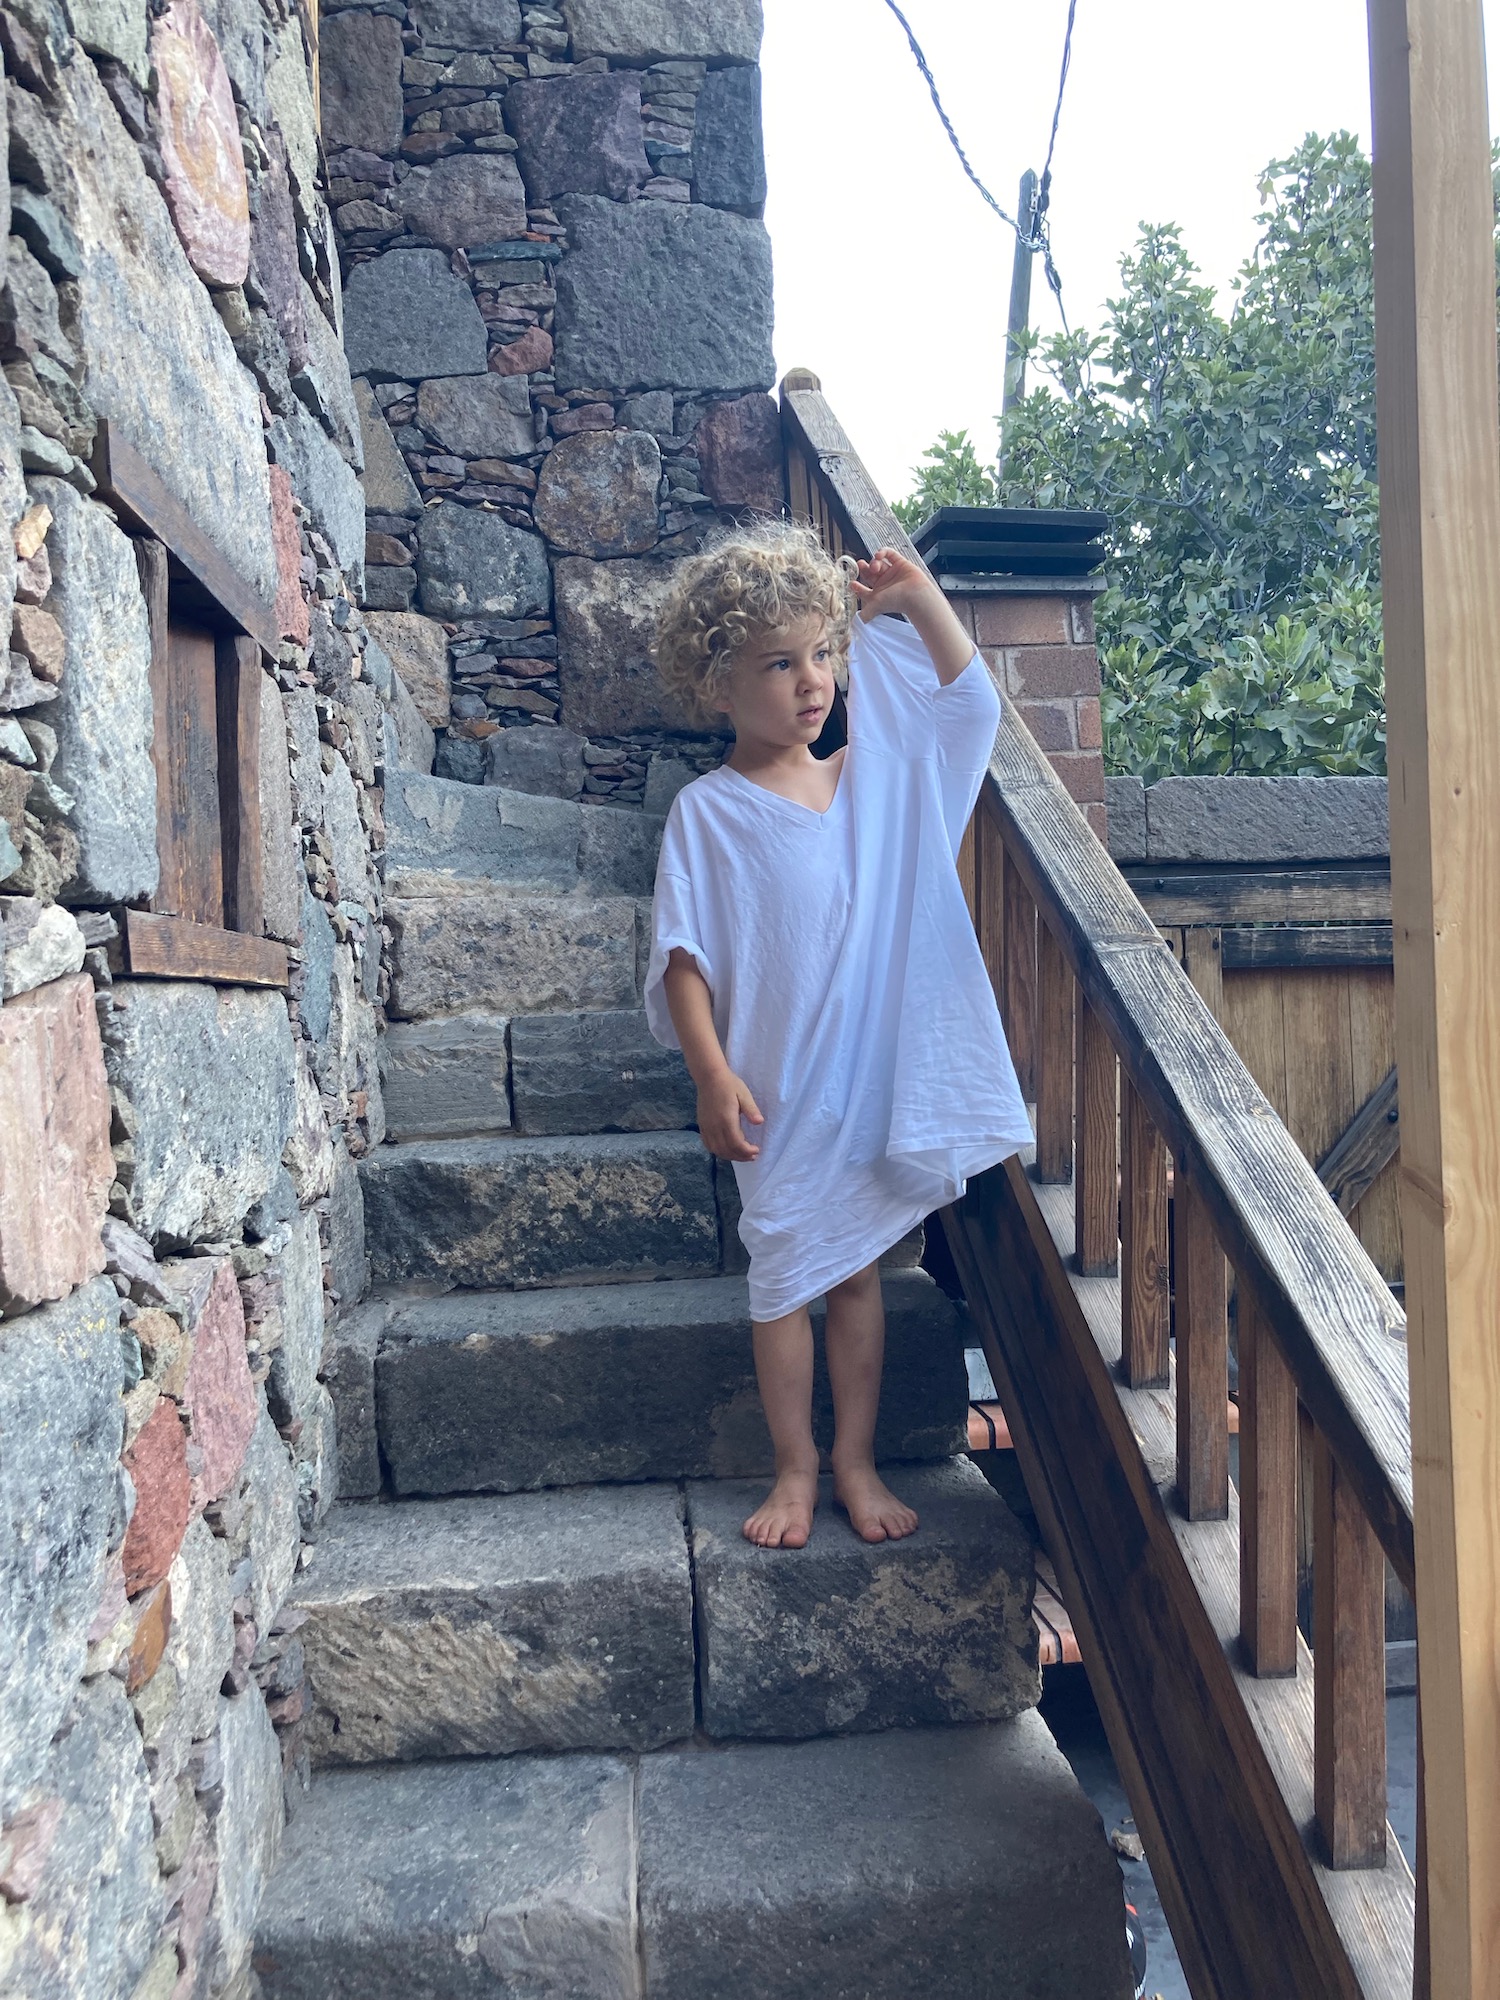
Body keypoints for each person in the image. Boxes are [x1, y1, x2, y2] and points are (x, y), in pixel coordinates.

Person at [644, 522, 1031, 1550]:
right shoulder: (708, 815)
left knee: (859, 1274)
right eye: (780, 662)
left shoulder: (872, 781)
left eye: (823, 653)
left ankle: (854, 1459)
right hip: (774, 1093)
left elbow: (970, 711)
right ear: (717, 683)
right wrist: (711, 1071)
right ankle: (794, 1467)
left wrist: (921, 600)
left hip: (868, 1082)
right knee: (780, 1281)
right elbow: (684, 957)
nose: (811, 680)